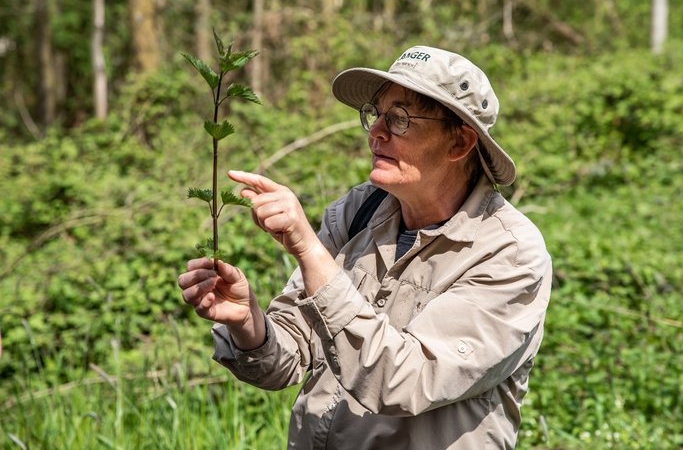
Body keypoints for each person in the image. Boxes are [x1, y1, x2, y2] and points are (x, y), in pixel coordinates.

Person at [177, 45, 551, 449]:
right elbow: (283, 363)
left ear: (459, 143)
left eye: (400, 118)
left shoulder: (509, 253)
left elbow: (403, 381)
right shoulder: (360, 210)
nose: (376, 132)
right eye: (376, 114)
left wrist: (308, 250)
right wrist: (246, 322)